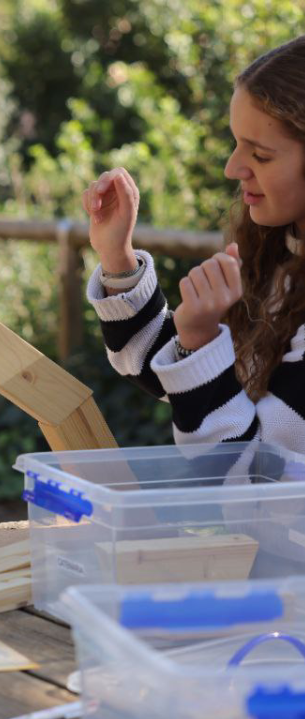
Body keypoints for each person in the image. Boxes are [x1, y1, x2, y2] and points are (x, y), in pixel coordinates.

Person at [82, 36, 305, 454]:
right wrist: (117, 259)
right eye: (236, 143)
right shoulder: (280, 254)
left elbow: (252, 476)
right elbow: (181, 380)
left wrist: (202, 341)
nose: (232, 168)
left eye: (260, 155)